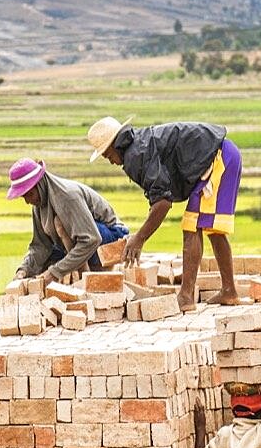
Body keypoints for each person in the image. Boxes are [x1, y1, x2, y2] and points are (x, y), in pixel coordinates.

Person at [87, 117, 242, 312]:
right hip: (224, 153)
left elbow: (162, 203)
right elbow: (159, 196)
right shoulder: (138, 146)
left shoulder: (136, 154)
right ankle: (229, 292)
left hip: (218, 159)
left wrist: (139, 238)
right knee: (210, 229)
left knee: (192, 227)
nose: (110, 161)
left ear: (115, 146)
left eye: (107, 155)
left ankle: (186, 297)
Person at [6, 158, 129, 285]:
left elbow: (92, 239)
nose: (27, 201)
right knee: (42, 265)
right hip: (83, 243)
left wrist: (55, 272)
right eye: (23, 196)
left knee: (59, 223)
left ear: (39, 184)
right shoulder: (38, 205)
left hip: (112, 239)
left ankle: (85, 278)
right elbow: (41, 246)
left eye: (29, 194)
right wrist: (24, 270)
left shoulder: (67, 197)